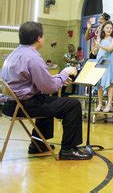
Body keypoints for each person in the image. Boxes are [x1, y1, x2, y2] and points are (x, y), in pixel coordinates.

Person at [2, 21, 91, 160]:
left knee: (46, 99)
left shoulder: (14, 54)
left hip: (9, 105)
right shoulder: (32, 57)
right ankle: (68, 149)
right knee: (73, 105)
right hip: (23, 105)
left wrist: (57, 78)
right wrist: (64, 73)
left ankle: (38, 145)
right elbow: (48, 86)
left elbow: (36, 82)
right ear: (38, 38)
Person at [95, 21, 113, 113]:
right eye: (107, 28)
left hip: (109, 61)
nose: (109, 29)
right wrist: (95, 47)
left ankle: (109, 104)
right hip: (101, 61)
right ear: (103, 29)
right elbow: (95, 52)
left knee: (110, 82)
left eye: (111, 28)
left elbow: (109, 49)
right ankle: (100, 104)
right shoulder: (100, 39)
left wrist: (99, 45)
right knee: (100, 83)